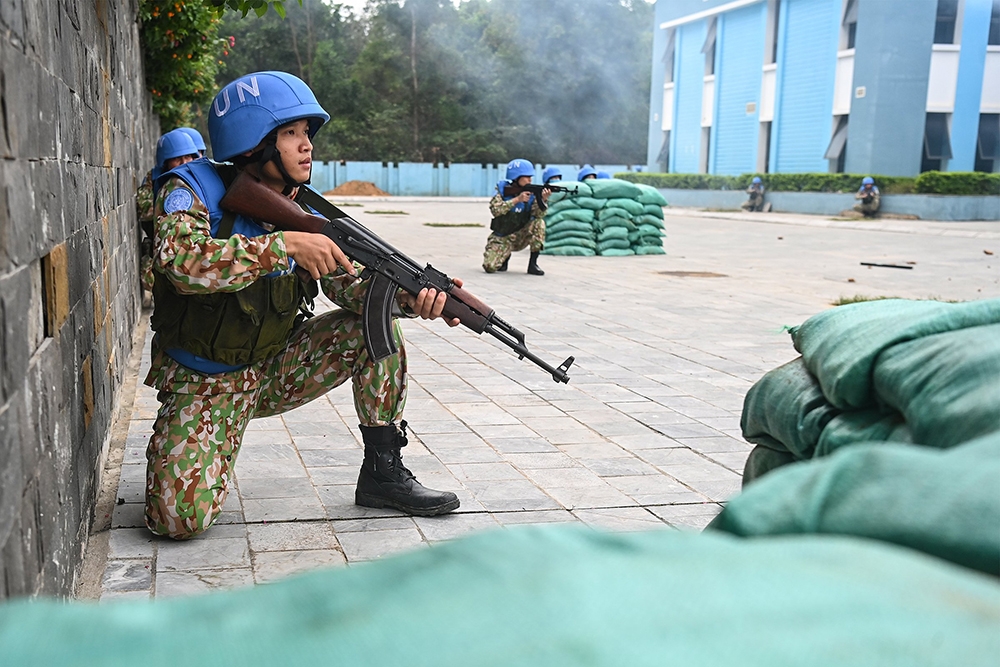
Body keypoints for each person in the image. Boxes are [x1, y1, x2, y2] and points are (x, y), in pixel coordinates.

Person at [144, 71, 463, 540]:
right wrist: (283, 248)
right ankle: (203, 443)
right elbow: (178, 262)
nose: (307, 145)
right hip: (206, 386)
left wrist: (411, 298)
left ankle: (383, 472)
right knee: (177, 522)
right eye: (291, 133)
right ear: (254, 142)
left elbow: (352, 288)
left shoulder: (301, 210)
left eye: (307, 134)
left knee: (373, 332)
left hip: (275, 369)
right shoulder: (190, 190)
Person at [136, 130, 200, 309]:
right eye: (178, 159)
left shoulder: (199, 177)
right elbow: (147, 213)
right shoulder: (156, 181)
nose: (184, 163)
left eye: (189, 157)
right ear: (165, 162)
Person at [483, 159, 548, 275]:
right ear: (517, 177)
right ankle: (504, 257)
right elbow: (495, 210)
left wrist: (542, 199)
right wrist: (517, 200)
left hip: (521, 235)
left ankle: (533, 264)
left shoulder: (532, 193)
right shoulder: (502, 189)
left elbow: (538, 214)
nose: (530, 180)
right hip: (503, 236)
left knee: (539, 223)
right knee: (489, 267)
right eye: (527, 176)